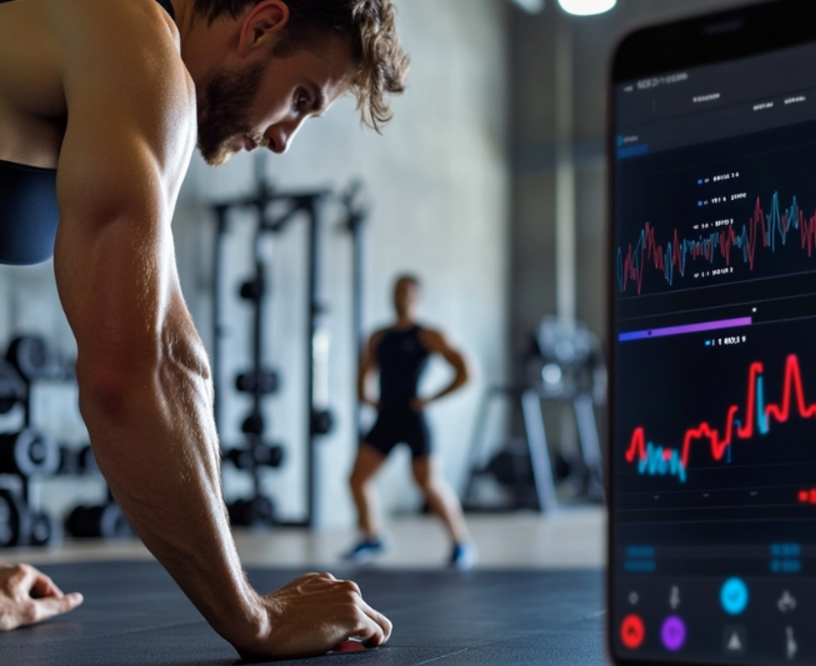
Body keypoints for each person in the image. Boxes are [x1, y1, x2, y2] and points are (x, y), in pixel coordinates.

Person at [0, 0, 408, 658]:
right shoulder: (136, 41)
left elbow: (175, 354)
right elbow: (134, 371)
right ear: (261, 24)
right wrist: (254, 617)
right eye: (301, 99)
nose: (284, 138)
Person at [346, 275, 476, 569]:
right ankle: (372, 536)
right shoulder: (378, 336)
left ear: (417, 297)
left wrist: (433, 398)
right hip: (386, 417)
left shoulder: (428, 335)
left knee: (428, 484)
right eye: (396, 291)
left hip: (413, 418)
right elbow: (364, 371)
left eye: (406, 292)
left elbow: (466, 371)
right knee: (357, 479)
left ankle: (461, 543)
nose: (400, 297)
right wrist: (365, 395)